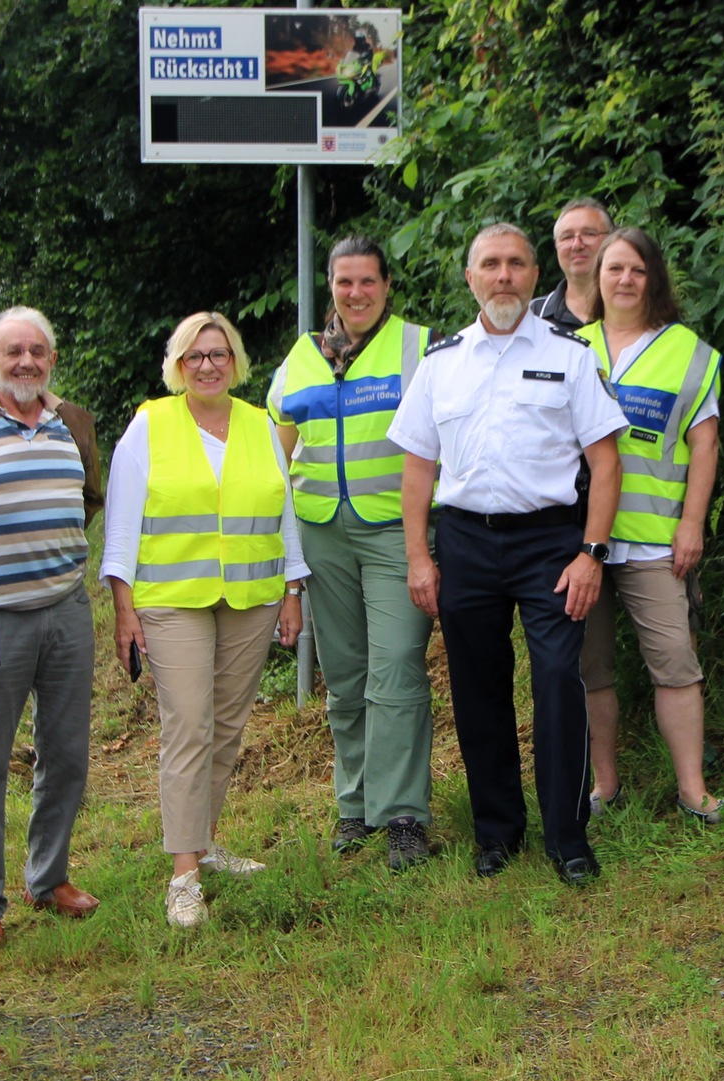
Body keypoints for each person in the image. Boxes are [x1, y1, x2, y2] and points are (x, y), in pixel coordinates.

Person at [389, 223, 627, 886]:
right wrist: (419, 557)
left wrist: (592, 553)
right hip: (465, 541)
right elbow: (415, 469)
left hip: (551, 540)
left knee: (557, 678)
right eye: (489, 264)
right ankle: (497, 832)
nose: (503, 276)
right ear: (470, 277)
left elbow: (605, 463)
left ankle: (567, 836)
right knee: (477, 687)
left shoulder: (571, 355)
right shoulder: (441, 362)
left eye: (516, 264)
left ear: (532, 274)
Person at [101, 312, 309, 927]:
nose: (209, 365)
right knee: (188, 725)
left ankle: (207, 842)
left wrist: (293, 589)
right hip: (170, 599)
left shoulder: (259, 425)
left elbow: (284, 512)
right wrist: (122, 604)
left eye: (219, 354)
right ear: (178, 366)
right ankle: (184, 873)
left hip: (252, 597)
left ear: (235, 362)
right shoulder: (150, 425)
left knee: (225, 727)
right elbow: (121, 520)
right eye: (196, 356)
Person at [268, 235, 436, 871]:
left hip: (397, 530)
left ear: (387, 285)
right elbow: (276, 454)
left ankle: (403, 816)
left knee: (395, 665)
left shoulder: (418, 347)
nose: (356, 293)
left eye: (368, 281)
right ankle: (356, 805)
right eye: (345, 282)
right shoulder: (301, 357)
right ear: (330, 287)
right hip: (321, 532)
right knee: (345, 675)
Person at [0, 306, 103, 953]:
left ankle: (49, 876)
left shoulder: (73, 423)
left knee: (65, 754)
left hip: (67, 611)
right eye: (13, 351)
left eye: (38, 351)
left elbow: (90, 497)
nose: (26, 362)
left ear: (52, 359)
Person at [575, 228, 724, 823]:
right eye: (614, 268)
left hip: (655, 538)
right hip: (580, 541)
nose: (625, 279)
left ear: (653, 277)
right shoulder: (568, 345)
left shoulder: (688, 352)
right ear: (597, 277)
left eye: (637, 269)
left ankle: (694, 791)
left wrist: (693, 524)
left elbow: (704, 444)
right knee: (591, 670)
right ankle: (604, 787)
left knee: (675, 661)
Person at [530, 197, 614, 330]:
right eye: (567, 237)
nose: (577, 245)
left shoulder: (633, 311)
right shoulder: (531, 315)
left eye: (589, 234)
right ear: (556, 245)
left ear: (611, 240)